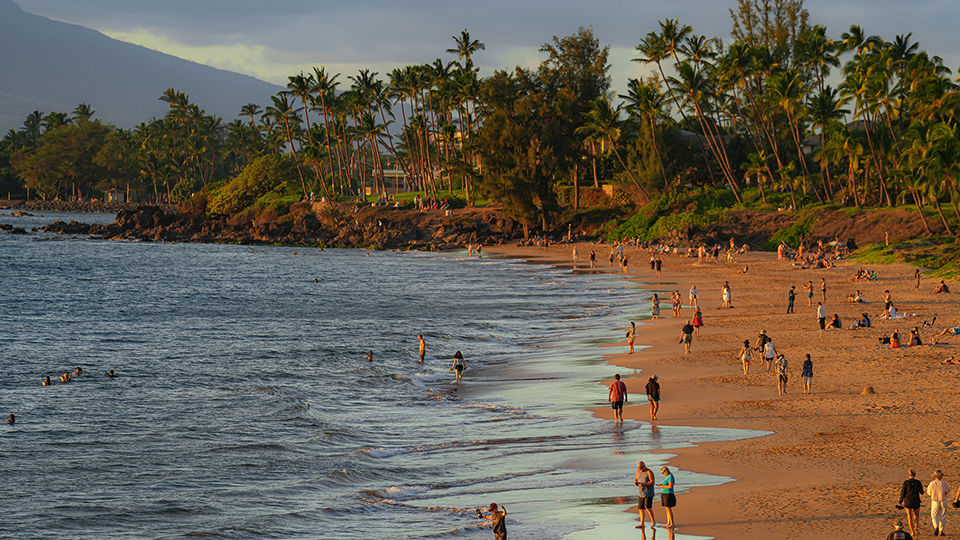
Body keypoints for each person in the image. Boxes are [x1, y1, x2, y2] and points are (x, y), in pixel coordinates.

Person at [899, 468, 924, 535]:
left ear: (908, 475)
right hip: (916, 500)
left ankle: (912, 531)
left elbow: (903, 493)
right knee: (916, 515)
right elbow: (922, 492)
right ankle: (916, 527)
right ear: (915, 475)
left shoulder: (906, 482)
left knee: (909, 516)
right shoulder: (918, 482)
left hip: (908, 501)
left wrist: (900, 502)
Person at [926, 469, 951, 536]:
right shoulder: (944, 483)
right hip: (943, 501)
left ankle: (936, 526)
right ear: (940, 476)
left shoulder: (932, 483)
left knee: (934, 516)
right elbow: (948, 491)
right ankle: (941, 531)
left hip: (935, 501)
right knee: (943, 516)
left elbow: (929, 492)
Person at [634, 461, 657, 528]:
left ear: (644, 466)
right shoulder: (638, 472)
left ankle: (653, 521)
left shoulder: (649, 472)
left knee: (648, 507)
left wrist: (644, 484)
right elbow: (635, 479)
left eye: (641, 468)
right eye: (639, 468)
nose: (640, 469)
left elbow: (652, 482)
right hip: (641, 493)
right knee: (640, 508)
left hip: (648, 493)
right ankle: (642, 523)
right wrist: (636, 483)